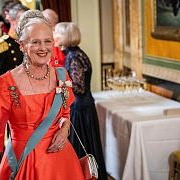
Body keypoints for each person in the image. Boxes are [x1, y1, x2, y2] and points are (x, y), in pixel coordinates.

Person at [0, 10, 84, 180]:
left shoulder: (62, 75)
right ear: (22, 45)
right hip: (24, 160)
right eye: (35, 42)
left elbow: (65, 113)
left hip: (61, 161)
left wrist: (64, 129)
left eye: (47, 41)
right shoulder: (5, 82)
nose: (43, 48)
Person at [54, 22, 107, 180]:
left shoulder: (74, 56)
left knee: (82, 149)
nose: (53, 36)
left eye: (56, 33)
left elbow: (79, 87)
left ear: (65, 36)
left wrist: (55, 84)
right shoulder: (73, 54)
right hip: (82, 106)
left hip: (80, 109)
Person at [0, 2, 28, 124]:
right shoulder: (2, 44)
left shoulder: (28, 43)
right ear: (13, 21)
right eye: (23, 20)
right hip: (12, 101)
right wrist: (11, 93)